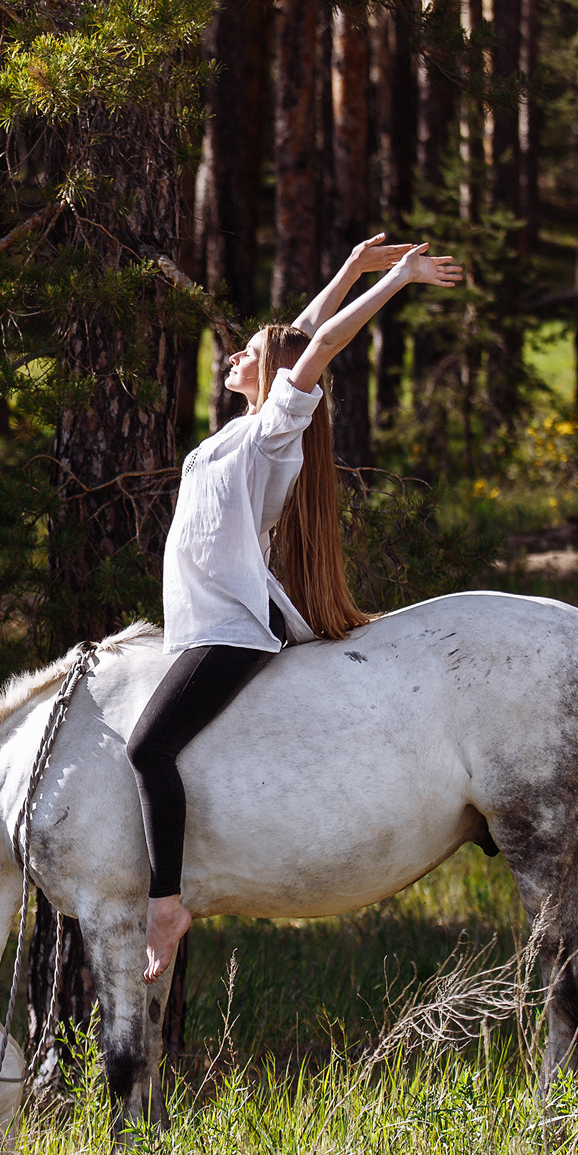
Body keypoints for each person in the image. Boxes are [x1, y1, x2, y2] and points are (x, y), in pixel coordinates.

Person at [134, 234, 464, 983]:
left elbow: (317, 348)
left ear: (274, 376)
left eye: (245, 352)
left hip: (232, 631)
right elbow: (302, 335)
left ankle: (166, 905)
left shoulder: (275, 434)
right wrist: (348, 266)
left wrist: (399, 283)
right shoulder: (237, 434)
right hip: (199, 627)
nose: (233, 358)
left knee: (147, 751)